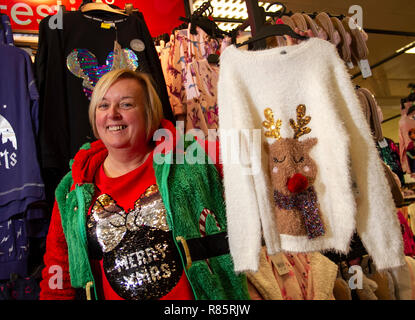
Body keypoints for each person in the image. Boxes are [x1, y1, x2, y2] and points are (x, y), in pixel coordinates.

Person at [39, 68, 249, 300]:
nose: (113, 114)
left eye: (126, 104)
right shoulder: (73, 189)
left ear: (149, 113)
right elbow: (58, 267)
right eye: (103, 105)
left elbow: (257, 164)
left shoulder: (192, 158)